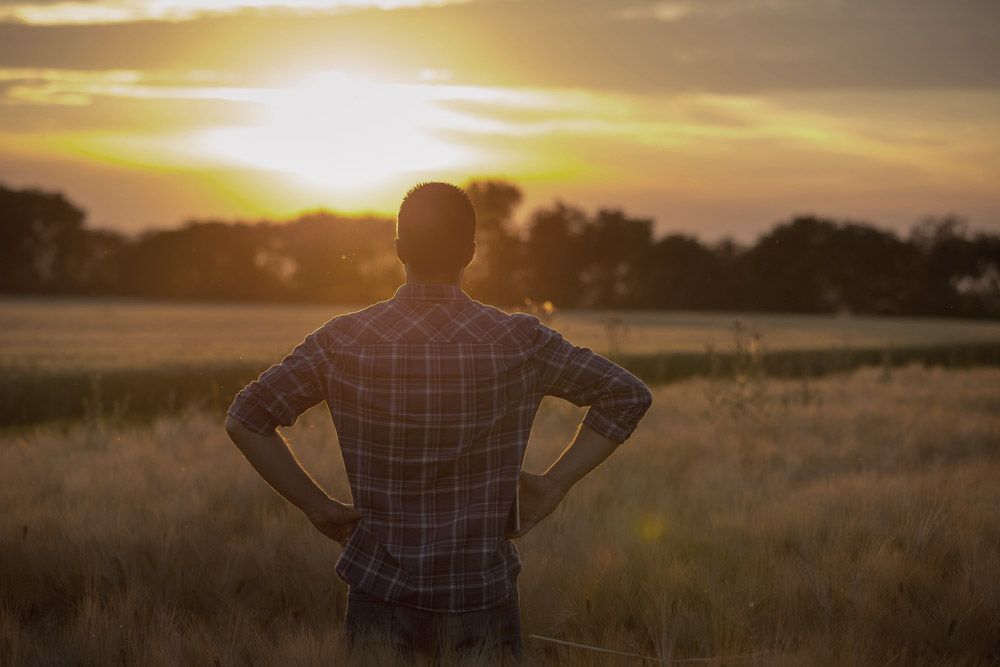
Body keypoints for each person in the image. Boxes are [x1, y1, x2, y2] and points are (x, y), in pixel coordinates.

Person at [224, 182, 653, 661]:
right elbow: (627, 395)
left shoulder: (342, 341)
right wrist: (555, 484)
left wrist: (317, 506)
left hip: (380, 594)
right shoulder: (521, 341)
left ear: (399, 250)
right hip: (482, 595)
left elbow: (246, 419)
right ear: (470, 253)